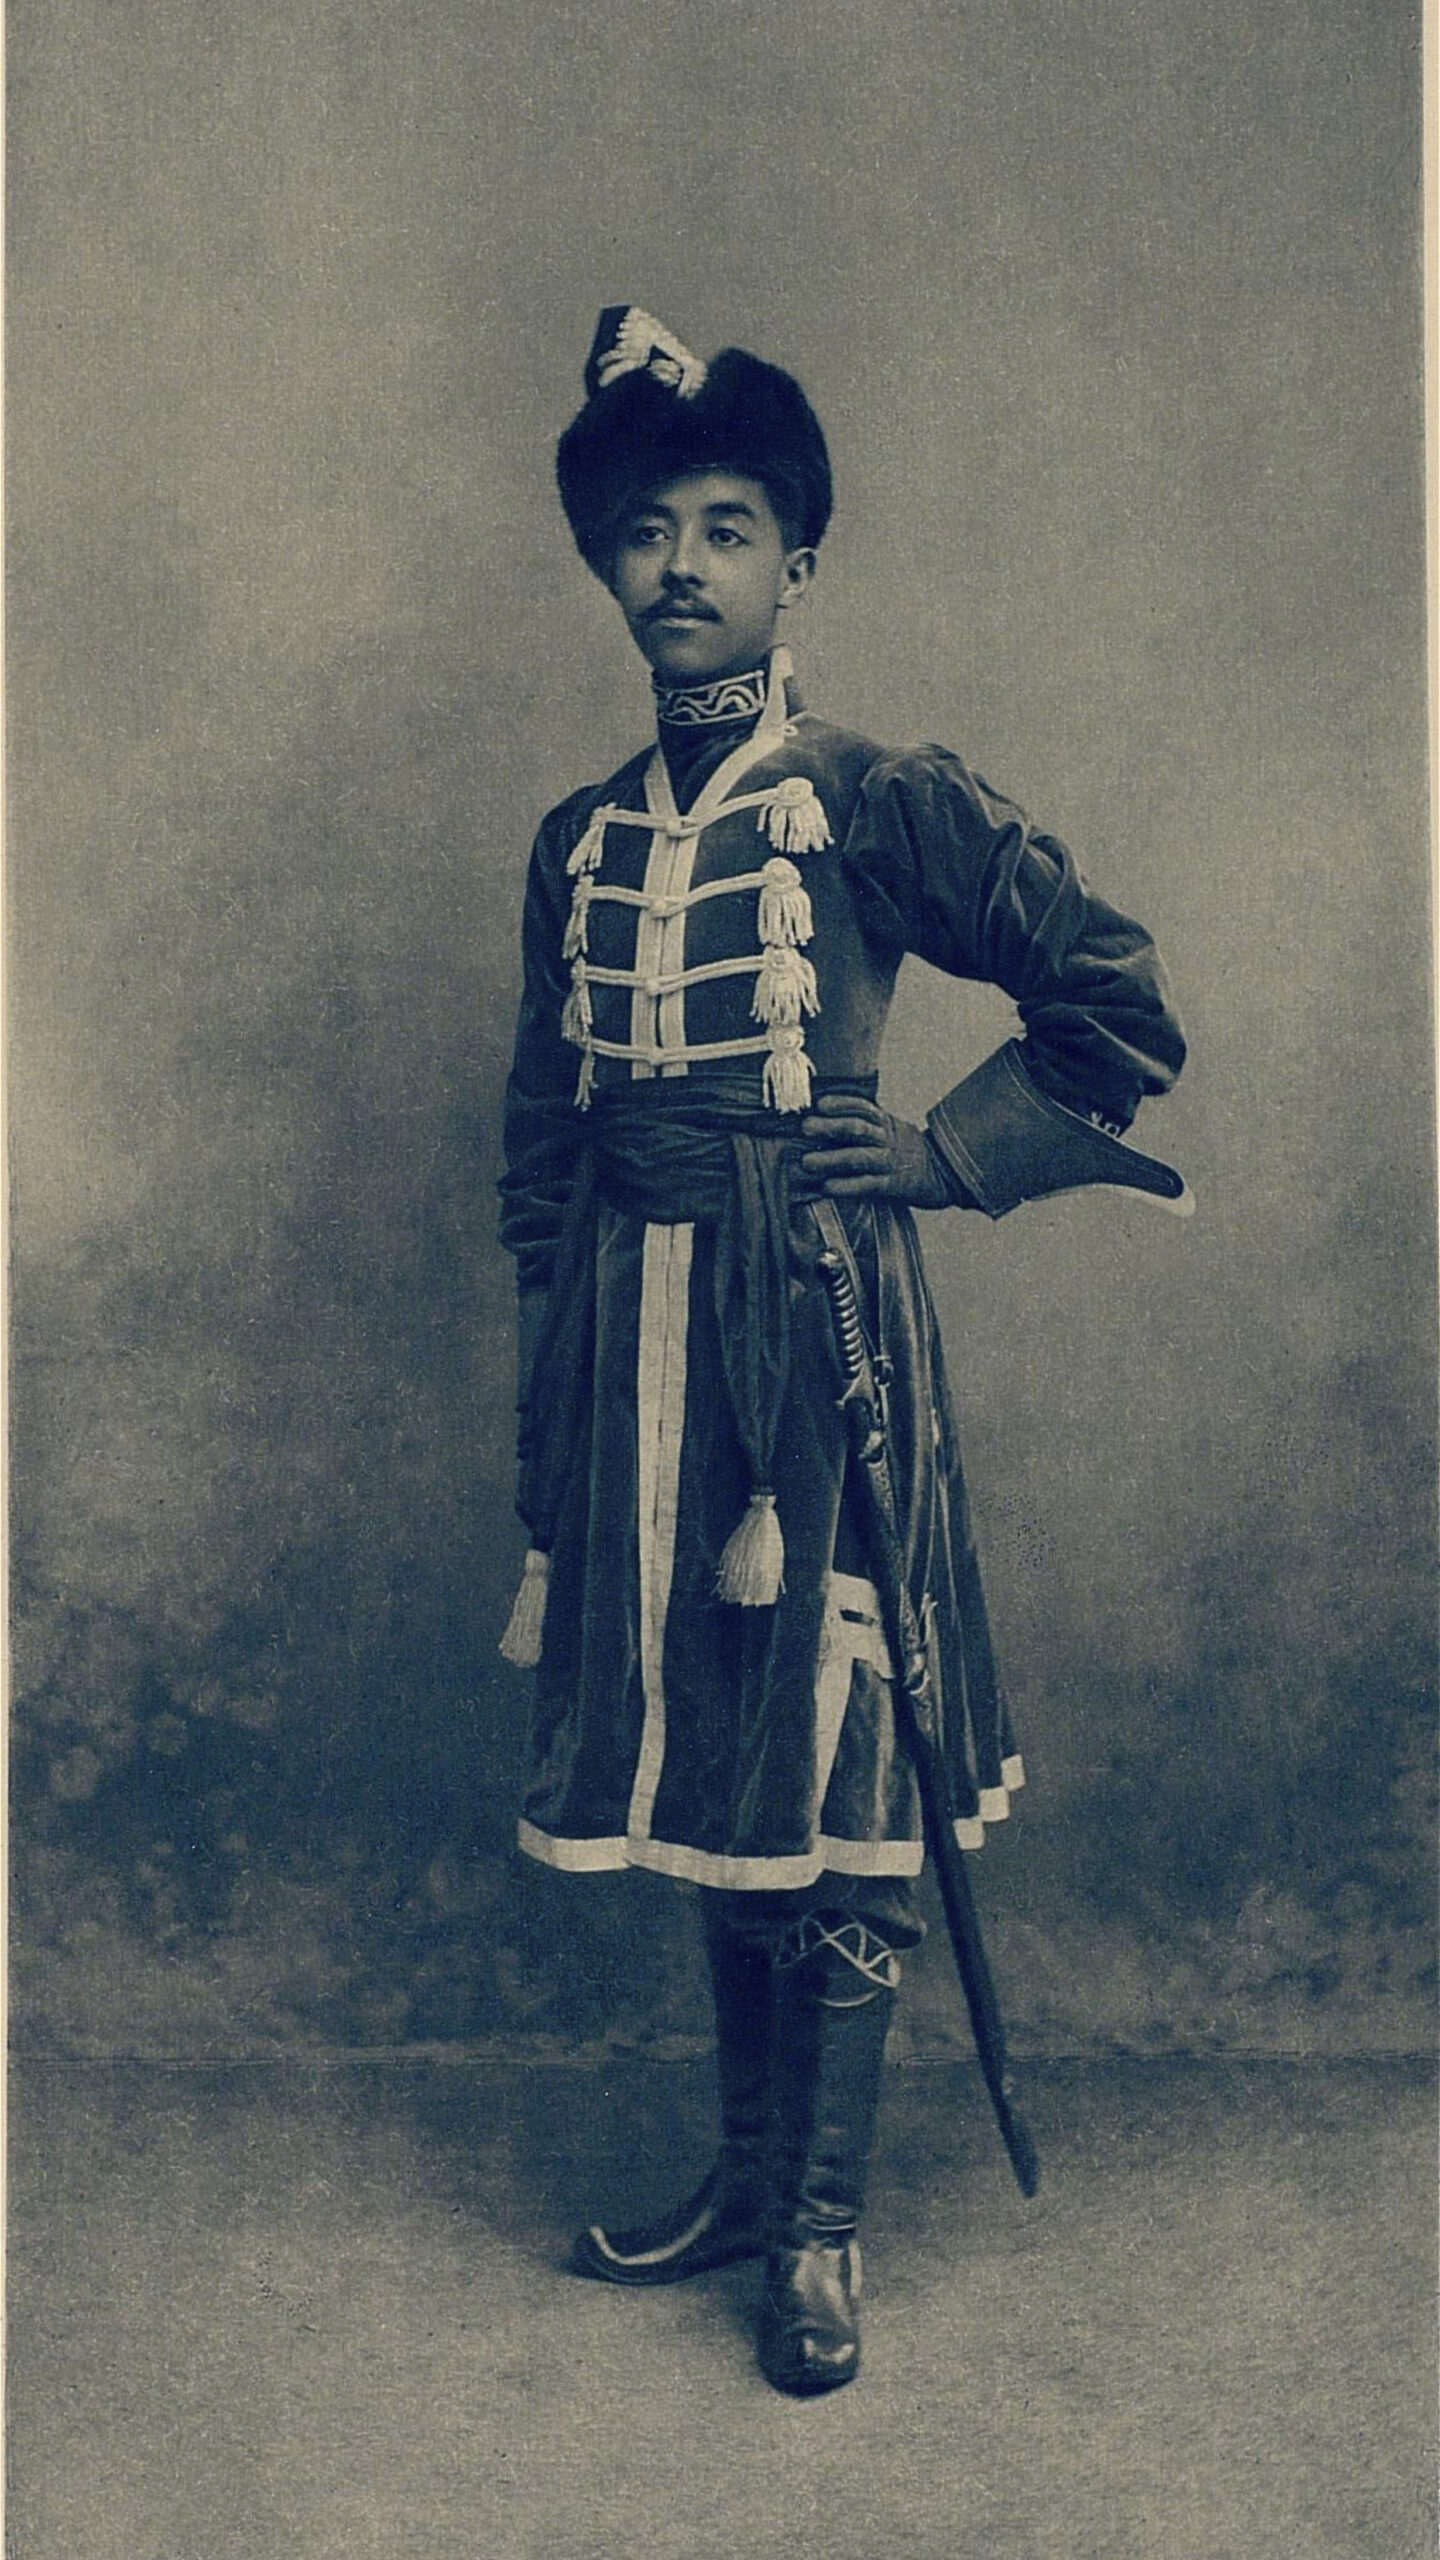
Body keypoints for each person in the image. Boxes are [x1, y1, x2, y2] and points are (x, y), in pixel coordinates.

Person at [497, 306, 1186, 2396]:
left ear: (798, 561)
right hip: (635, 1352)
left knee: (844, 1747)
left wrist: (949, 1158)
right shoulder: (579, 838)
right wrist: (559, 1348)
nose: (683, 566)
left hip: (815, 1331)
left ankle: (820, 2226)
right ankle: (740, 2174)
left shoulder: (875, 799)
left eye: (728, 527)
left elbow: (1111, 998)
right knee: (719, 1753)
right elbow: (544, 1128)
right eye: (646, 532)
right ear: (606, 565)